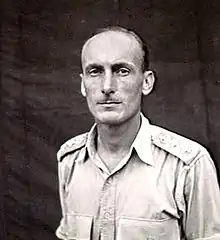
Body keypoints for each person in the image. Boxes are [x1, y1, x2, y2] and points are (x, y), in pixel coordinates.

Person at [55, 26, 220, 240]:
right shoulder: (69, 161)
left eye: (122, 71)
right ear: (83, 85)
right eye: (95, 71)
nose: (107, 86)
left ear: (146, 82)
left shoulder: (187, 165)